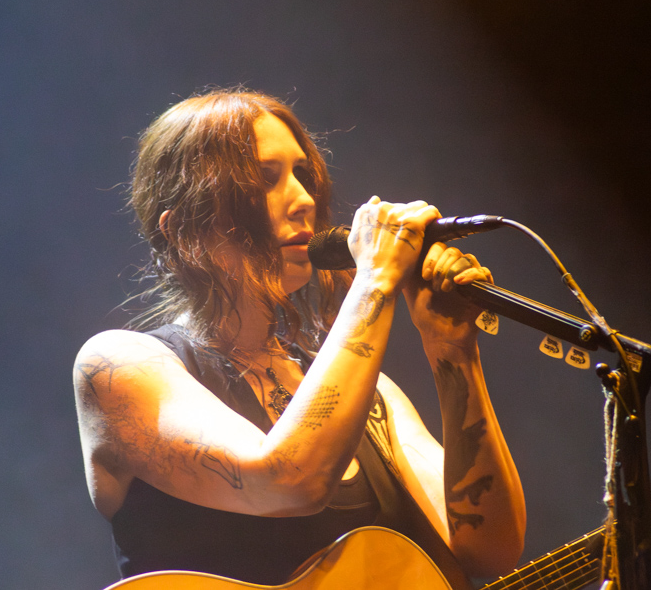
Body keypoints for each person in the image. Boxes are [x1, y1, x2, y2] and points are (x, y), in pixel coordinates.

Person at [73, 89, 526, 587]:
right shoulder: (118, 367)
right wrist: (374, 281)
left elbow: (490, 553)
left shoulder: (373, 399)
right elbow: (289, 482)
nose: (305, 200)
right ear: (184, 229)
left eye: (302, 175)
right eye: (264, 180)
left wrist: (451, 351)